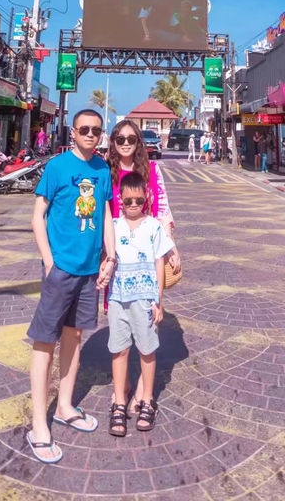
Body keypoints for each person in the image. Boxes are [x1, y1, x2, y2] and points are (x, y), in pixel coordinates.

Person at [26, 109, 115, 464]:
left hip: (89, 270)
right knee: (45, 339)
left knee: (74, 337)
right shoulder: (57, 167)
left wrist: (111, 256)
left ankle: (64, 405)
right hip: (60, 268)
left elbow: (106, 214)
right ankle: (37, 424)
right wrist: (49, 262)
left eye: (96, 130)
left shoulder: (103, 169)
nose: (91, 135)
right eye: (85, 130)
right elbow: (38, 215)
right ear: (74, 132)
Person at [107, 119, 181, 409]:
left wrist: (170, 246)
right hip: (115, 259)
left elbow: (162, 208)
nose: (126, 143)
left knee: (148, 317)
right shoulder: (106, 172)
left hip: (146, 260)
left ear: (139, 142)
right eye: (120, 138)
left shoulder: (151, 171)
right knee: (117, 322)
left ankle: (143, 388)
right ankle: (122, 387)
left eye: (131, 139)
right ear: (113, 142)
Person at [108, 171, 173, 437]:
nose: (133, 205)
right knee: (119, 350)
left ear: (146, 198)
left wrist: (158, 301)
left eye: (138, 200)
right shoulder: (112, 226)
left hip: (145, 299)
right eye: (128, 201)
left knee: (147, 350)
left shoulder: (154, 226)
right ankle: (119, 401)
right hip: (118, 299)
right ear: (120, 200)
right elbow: (105, 255)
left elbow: (160, 263)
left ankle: (147, 399)